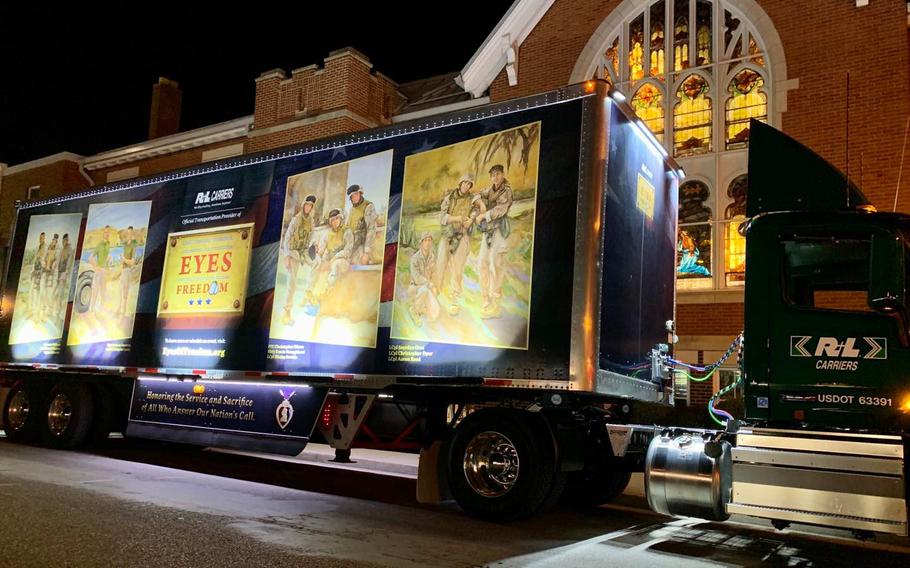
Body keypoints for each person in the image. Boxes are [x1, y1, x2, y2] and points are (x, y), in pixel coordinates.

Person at [472, 164, 513, 319]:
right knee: (482, 263)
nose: (495, 177)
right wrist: (481, 203)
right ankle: (486, 299)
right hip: (487, 232)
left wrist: (483, 215)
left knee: (495, 265)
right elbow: (476, 195)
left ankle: (496, 302)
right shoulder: (489, 189)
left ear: (502, 174)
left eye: (498, 174)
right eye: (493, 175)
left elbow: (501, 209)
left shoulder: (506, 190)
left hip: (499, 231)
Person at [436, 174, 476, 315]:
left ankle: (454, 299)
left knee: (457, 269)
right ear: (460, 184)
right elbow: (442, 218)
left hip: (462, 235)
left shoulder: (472, 199)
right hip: (447, 235)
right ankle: (435, 295)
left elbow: (475, 212)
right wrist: (457, 218)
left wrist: (470, 219)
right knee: (440, 264)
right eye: (464, 183)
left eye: (469, 184)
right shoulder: (449, 198)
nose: (466, 186)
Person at [281, 194, 319, 325]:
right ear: (303, 205)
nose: (308, 207)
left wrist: (314, 244)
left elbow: (313, 235)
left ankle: (308, 292)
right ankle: (286, 313)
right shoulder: (296, 220)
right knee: (292, 284)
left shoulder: (311, 221)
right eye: (307, 204)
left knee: (317, 263)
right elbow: (287, 238)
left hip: (303, 252)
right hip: (292, 252)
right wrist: (286, 256)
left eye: (310, 205)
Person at [408, 232, 440, 324]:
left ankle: (422, 307)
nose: (427, 243)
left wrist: (435, 286)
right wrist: (429, 284)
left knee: (435, 314)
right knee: (424, 290)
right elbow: (417, 278)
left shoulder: (432, 257)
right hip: (415, 288)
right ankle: (414, 310)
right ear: (421, 243)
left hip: (428, 288)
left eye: (429, 240)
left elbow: (434, 273)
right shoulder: (415, 258)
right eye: (425, 240)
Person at [320, 208, 354, 291]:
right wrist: (321, 260)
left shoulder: (347, 232)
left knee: (336, 264)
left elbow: (348, 251)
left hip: (343, 262)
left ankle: (329, 289)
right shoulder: (327, 234)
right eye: (333, 220)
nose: (335, 221)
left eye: (337, 218)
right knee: (318, 265)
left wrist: (333, 259)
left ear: (340, 218)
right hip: (330, 261)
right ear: (330, 222)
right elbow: (322, 249)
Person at [345, 184, 379, 265]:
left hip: (362, 244)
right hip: (351, 244)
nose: (354, 197)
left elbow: (371, 229)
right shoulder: (352, 209)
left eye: (356, 194)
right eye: (352, 196)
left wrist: (366, 252)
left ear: (360, 194)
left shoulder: (368, 206)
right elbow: (348, 228)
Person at [117, 226, 142, 318]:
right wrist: (121, 260)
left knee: (125, 294)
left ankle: (123, 314)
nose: (128, 235)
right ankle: (122, 312)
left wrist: (123, 259)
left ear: (132, 234)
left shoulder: (134, 245)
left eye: (130, 233)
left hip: (128, 271)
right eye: (127, 233)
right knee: (123, 293)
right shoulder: (127, 244)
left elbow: (132, 262)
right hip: (124, 270)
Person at [90, 225, 112, 312]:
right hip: (99, 271)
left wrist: (108, 259)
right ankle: (91, 308)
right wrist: (96, 268)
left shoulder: (108, 244)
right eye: (105, 232)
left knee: (103, 291)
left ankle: (101, 310)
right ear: (103, 233)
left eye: (108, 232)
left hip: (104, 271)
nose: (107, 234)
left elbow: (105, 257)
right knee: (95, 291)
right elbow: (91, 258)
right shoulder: (100, 244)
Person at [41, 234, 59, 318]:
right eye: (53, 240)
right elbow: (43, 259)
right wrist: (44, 265)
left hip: (52, 274)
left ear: (56, 242)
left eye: (55, 241)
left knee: (49, 293)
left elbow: (56, 262)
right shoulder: (48, 249)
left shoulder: (57, 251)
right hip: (45, 272)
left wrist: (51, 267)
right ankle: (43, 308)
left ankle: (49, 310)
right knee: (43, 291)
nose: (53, 242)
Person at [29, 232, 46, 319]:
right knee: (33, 292)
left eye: (42, 238)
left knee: (39, 294)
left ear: (44, 238)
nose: (41, 239)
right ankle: (32, 311)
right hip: (35, 272)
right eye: (40, 238)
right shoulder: (38, 248)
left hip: (41, 274)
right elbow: (35, 260)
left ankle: (37, 313)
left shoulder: (45, 248)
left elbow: (44, 262)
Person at [54, 233, 73, 310]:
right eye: (63, 240)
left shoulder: (70, 249)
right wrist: (55, 266)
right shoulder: (62, 249)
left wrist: (67, 271)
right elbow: (58, 260)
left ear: (67, 240)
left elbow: (69, 260)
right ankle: (55, 306)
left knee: (61, 290)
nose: (64, 242)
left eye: (65, 240)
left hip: (64, 272)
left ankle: (58, 307)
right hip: (59, 272)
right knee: (56, 289)